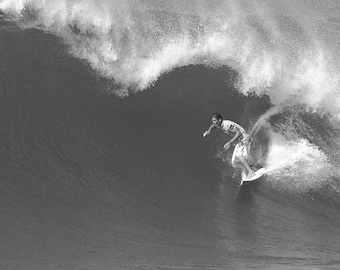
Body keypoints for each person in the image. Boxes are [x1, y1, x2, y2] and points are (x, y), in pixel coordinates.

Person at [203, 113, 255, 180]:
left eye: (214, 120)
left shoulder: (227, 125)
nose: (213, 122)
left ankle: (251, 172)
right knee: (234, 162)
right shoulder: (219, 124)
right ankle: (251, 167)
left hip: (245, 139)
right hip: (241, 141)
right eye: (213, 121)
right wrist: (209, 130)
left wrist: (230, 142)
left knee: (239, 155)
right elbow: (213, 126)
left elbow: (238, 133)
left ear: (220, 120)